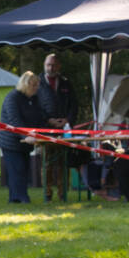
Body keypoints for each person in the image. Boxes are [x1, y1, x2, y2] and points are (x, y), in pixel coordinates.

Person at [0, 71, 48, 203]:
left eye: (37, 85)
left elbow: (39, 116)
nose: (36, 88)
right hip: (10, 141)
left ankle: (16, 198)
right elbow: (14, 121)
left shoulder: (33, 99)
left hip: (25, 142)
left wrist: (46, 128)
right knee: (17, 169)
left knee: (24, 169)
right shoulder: (12, 97)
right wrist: (26, 135)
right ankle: (21, 197)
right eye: (34, 85)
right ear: (26, 84)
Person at [37, 54, 79, 201]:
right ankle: (47, 194)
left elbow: (74, 105)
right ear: (44, 65)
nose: (51, 68)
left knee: (63, 163)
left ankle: (63, 194)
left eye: (53, 65)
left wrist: (67, 121)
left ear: (59, 66)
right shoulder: (38, 82)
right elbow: (35, 107)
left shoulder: (66, 83)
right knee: (47, 163)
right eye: (48, 65)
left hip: (64, 129)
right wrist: (48, 121)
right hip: (46, 130)